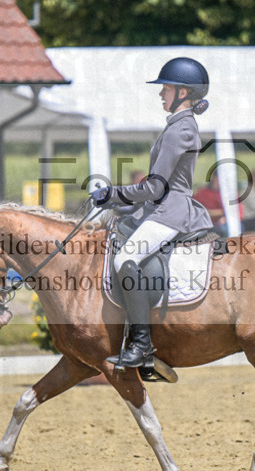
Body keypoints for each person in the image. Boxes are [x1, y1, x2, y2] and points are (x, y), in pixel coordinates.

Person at [91, 58, 213, 369]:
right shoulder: (176, 126)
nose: (161, 94)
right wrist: (124, 204)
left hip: (169, 212)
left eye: (166, 89)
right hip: (156, 209)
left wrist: (113, 193)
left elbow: (156, 187)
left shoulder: (180, 130)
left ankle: (142, 345)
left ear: (183, 92)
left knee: (125, 259)